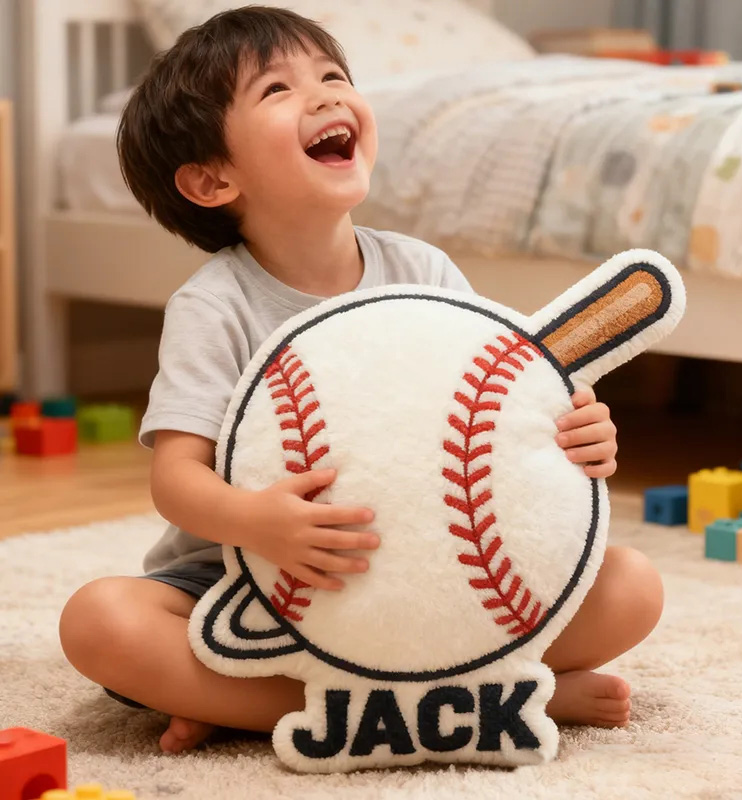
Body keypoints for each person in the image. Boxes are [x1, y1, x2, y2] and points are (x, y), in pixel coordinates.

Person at [59, 7, 662, 755]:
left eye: (334, 75)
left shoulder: (423, 272)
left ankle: (263, 705)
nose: (325, 97)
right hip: (244, 590)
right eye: (277, 89)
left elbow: (509, 423)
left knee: (633, 585)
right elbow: (175, 480)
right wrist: (258, 523)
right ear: (213, 179)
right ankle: (489, 697)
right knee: (100, 621)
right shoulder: (215, 306)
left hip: (422, 576)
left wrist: (580, 437)